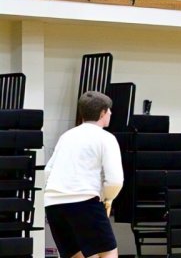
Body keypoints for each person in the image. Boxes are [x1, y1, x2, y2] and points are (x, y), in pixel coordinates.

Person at [44, 91, 124, 258]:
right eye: (108, 110)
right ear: (102, 113)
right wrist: (108, 199)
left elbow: (48, 171)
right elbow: (115, 180)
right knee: (108, 253)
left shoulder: (66, 136)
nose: (110, 113)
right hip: (84, 202)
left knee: (77, 255)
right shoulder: (106, 138)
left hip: (53, 205)